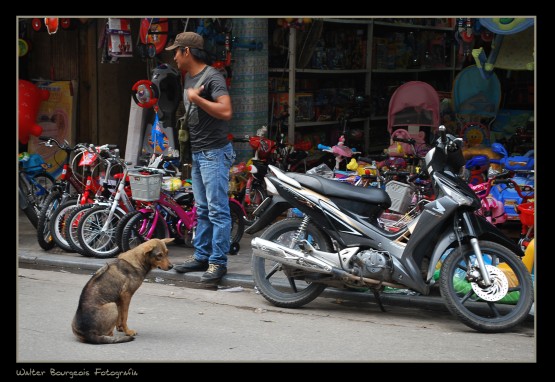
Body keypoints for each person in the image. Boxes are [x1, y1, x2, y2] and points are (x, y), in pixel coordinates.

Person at [166, 32, 235, 283]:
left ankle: (218, 262)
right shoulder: (189, 79)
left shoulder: (212, 77)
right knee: (203, 209)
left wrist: (196, 99)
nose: (174, 56)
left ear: (187, 51)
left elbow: (226, 111)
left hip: (214, 154)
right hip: (198, 154)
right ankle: (202, 256)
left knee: (217, 210)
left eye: (176, 51)